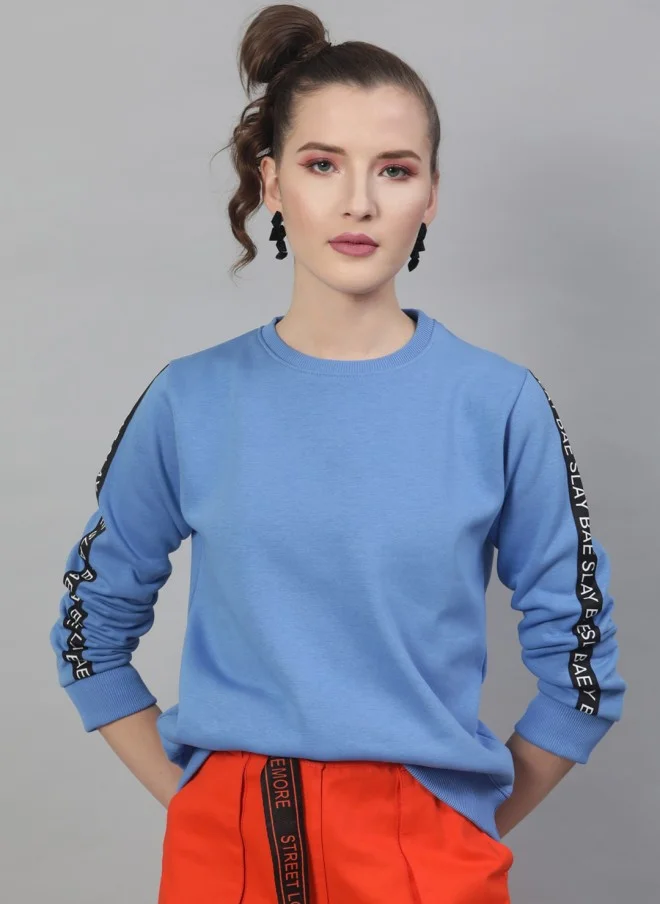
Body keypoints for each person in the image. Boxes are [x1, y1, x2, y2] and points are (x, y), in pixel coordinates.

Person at [49, 4, 627, 902]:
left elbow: (581, 666)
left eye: (394, 169)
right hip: (227, 846)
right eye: (323, 164)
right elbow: (91, 624)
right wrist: (198, 806)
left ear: (431, 195)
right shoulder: (189, 399)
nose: (360, 202)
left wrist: (458, 821)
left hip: (427, 848)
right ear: (272, 183)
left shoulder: (500, 404)